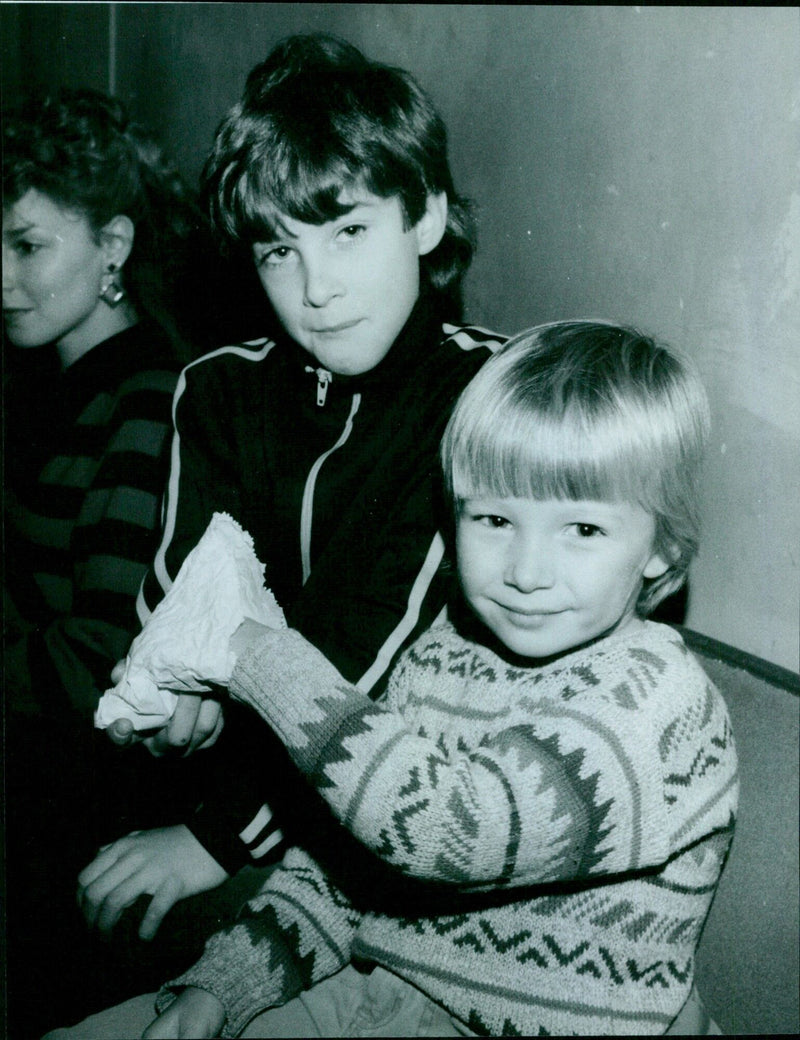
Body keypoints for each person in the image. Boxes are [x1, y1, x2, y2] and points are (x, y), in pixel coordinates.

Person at [49, 320, 739, 1038]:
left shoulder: (659, 702)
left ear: (661, 545)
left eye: (584, 531)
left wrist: (256, 651)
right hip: (372, 994)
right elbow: (346, 870)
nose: (527, 573)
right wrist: (224, 988)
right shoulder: (443, 652)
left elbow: (450, 832)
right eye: (495, 518)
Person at [76, 32, 505, 960]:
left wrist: (218, 838)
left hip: (384, 805)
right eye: (279, 250)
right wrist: (170, 700)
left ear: (425, 216)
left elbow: (366, 651)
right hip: (225, 778)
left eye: (349, 231)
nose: (315, 290)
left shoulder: (483, 398)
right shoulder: (219, 388)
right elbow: (181, 603)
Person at [1, 87, 214, 1035]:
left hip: (87, 810)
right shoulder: (54, 385)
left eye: (27, 246)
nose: (1, 277)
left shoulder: (144, 401)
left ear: (116, 247)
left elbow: (101, 656)